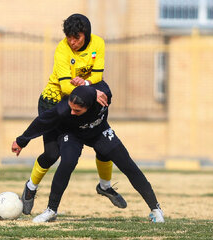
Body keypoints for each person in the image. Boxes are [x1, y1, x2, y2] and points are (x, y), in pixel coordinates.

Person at [12, 81, 165, 223]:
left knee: (128, 165)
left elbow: (100, 79)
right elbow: (41, 123)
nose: (72, 112)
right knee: (67, 163)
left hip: (99, 132)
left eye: (77, 110)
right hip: (72, 134)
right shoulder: (63, 110)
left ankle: (155, 209)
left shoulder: (104, 95)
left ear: (90, 105)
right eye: (71, 108)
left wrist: (89, 85)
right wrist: (21, 141)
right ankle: (51, 210)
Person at [21, 13, 126, 215]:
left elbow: (97, 75)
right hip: (54, 102)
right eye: (69, 37)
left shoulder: (98, 44)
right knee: (52, 154)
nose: (72, 42)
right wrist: (92, 91)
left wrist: (87, 85)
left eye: (76, 37)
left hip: (79, 103)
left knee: (103, 146)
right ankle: (30, 188)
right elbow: (65, 86)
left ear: (85, 34)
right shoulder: (62, 49)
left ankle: (105, 186)